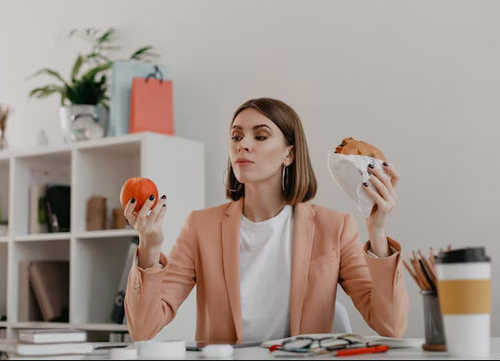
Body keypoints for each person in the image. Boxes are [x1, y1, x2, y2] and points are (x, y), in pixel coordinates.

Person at [124, 98, 409, 343]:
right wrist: (149, 247)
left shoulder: (335, 227)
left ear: (289, 154)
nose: (243, 145)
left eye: (260, 136)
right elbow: (143, 328)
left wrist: (378, 232)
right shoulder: (201, 227)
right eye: (236, 137)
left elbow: (390, 326)